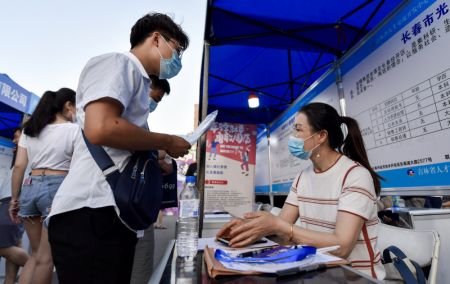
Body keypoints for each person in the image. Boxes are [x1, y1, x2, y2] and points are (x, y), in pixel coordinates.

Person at [47, 13, 191, 284]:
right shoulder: (118, 63)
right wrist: (167, 141)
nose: (177, 60)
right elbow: (101, 127)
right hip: (91, 211)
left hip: (109, 214)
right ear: (157, 38)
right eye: (177, 50)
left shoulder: (137, 80)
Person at [217, 102, 386, 279]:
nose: (293, 137)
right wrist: (247, 228)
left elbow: (342, 247)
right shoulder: (302, 177)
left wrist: (280, 226)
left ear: (321, 136)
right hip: (319, 273)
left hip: (357, 277)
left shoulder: (355, 175)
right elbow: (281, 226)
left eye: (298, 130)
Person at [9, 88, 78, 284]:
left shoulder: (30, 130)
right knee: (47, 259)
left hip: (30, 186)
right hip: (56, 188)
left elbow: (20, 166)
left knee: (36, 254)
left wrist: (15, 199)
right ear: (68, 105)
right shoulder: (74, 130)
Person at [130, 76, 172, 284]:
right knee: (139, 266)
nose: (154, 104)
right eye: (155, 97)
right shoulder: (128, 116)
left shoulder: (140, 119)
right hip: (131, 205)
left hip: (133, 204)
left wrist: (162, 160)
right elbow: (136, 147)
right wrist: (165, 146)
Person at [0, 128, 29, 284]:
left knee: (6, 246)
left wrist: (14, 201)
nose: (14, 141)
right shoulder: (19, 156)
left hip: (13, 202)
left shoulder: (27, 155)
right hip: (12, 202)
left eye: (17, 137)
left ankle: (37, 265)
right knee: (12, 246)